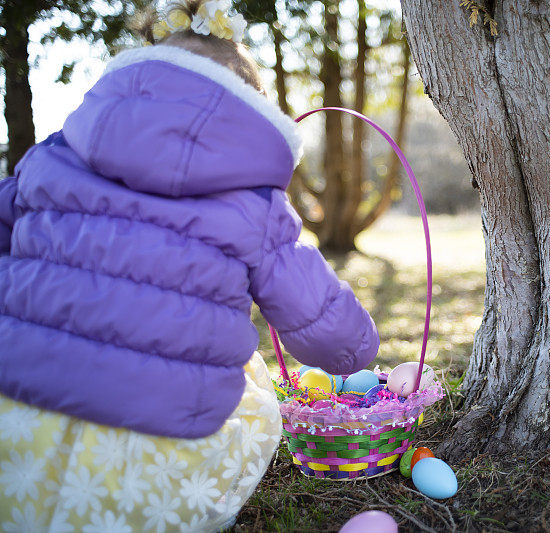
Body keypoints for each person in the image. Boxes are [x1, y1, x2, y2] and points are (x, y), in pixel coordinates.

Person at [0, 0, 379, 531]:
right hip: (159, 452)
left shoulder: (51, 158)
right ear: (248, 108)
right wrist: (359, 351)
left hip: (16, 417)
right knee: (252, 387)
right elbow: (322, 326)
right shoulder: (254, 202)